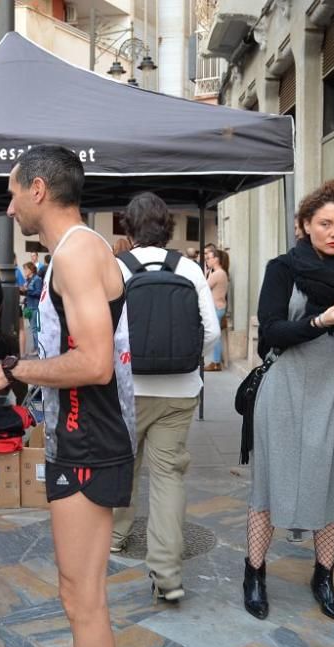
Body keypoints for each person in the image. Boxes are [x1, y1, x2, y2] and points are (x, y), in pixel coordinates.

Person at [0, 145, 135, 647]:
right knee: (78, 594)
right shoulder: (75, 250)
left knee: (81, 598)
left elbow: (93, 362)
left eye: (12, 194)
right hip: (80, 435)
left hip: (90, 439)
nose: (9, 208)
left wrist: (12, 371)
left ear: (38, 190)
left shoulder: (76, 252)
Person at [244, 179, 334, 623]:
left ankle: (324, 575)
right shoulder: (283, 268)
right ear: (304, 225)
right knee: (270, 481)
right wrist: (322, 319)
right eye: (325, 223)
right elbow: (272, 332)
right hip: (285, 388)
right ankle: (255, 572)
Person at [109, 192, 220, 603]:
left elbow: (104, 330)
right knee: (168, 477)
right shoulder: (189, 268)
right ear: (168, 226)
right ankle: (168, 575)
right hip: (179, 391)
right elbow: (211, 332)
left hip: (128, 391)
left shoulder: (117, 268)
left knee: (124, 464)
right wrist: (188, 362)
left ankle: (116, 537)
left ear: (128, 227)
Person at [204, 247, 229, 371]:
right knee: (216, 335)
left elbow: (204, 286)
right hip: (219, 307)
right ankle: (216, 361)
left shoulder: (218, 273)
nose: (207, 260)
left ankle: (216, 362)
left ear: (216, 259)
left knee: (215, 336)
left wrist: (207, 271)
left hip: (216, 307)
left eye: (208, 258)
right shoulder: (220, 273)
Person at [19, 261, 42, 357]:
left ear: (31, 269)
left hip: (34, 307)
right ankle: (35, 348)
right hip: (29, 307)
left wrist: (27, 290)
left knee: (35, 329)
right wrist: (21, 291)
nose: (24, 271)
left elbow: (39, 293)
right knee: (33, 329)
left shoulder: (37, 279)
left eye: (25, 269)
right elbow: (28, 293)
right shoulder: (28, 280)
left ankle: (38, 349)